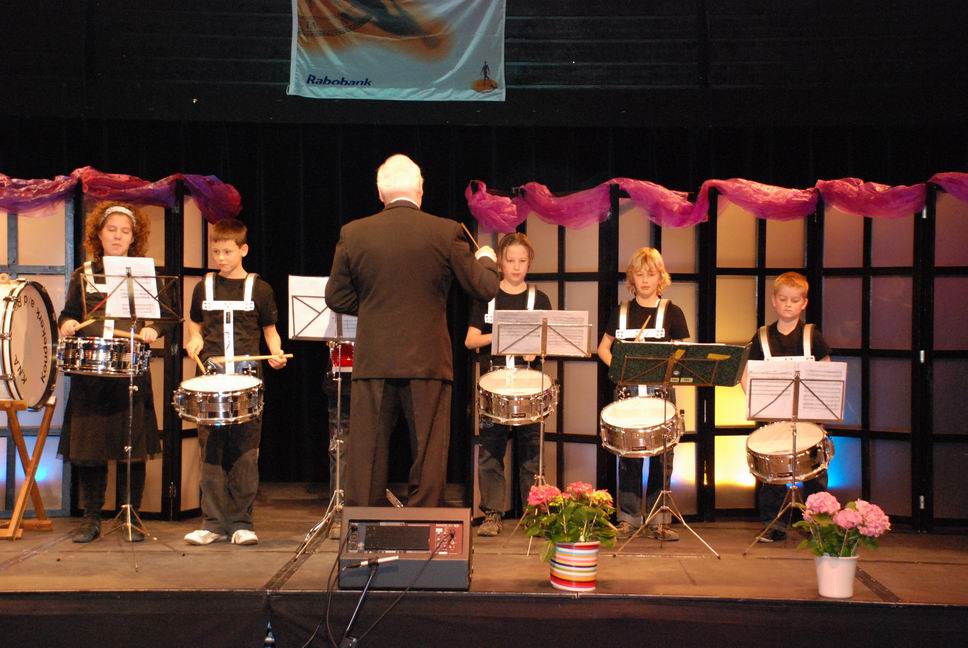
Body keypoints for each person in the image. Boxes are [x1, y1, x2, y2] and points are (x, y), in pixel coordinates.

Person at [325, 153, 499, 508]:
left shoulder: (354, 232)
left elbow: (336, 296)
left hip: (375, 358)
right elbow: (484, 287)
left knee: (367, 451)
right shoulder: (446, 231)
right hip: (427, 359)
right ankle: (424, 525)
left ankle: (363, 526)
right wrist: (487, 260)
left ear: (380, 193)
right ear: (420, 189)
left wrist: (375, 307)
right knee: (428, 449)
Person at [58, 201, 169, 543]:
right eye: (112, 230)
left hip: (130, 370)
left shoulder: (143, 274)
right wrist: (67, 324)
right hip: (91, 374)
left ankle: (131, 517)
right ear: (99, 234)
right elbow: (68, 313)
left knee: (132, 446)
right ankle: (91, 518)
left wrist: (153, 329)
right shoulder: (84, 274)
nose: (118, 236)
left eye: (125, 231)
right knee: (90, 447)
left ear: (134, 237)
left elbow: (165, 317)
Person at [183, 218, 287, 546]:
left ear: (243, 250)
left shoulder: (261, 289)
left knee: (245, 452)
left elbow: (270, 332)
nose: (221, 258)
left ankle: (242, 522)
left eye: (227, 252)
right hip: (211, 378)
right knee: (211, 451)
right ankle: (213, 523)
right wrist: (194, 339)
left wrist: (276, 353)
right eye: (216, 252)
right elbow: (195, 324)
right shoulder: (203, 287)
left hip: (247, 379)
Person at [598, 247, 689, 541]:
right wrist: (621, 369)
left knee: (662, 457)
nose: (646, 280)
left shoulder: (673, 312)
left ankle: (659, 519)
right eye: (640, 274)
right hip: (628, 393)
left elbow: (684, 354)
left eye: (651, 274)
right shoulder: (622, 312)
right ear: (631, 278)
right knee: (629, 455)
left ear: (661, 277)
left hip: (661, 396)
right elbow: (603, 348)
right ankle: (628, 518)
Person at [465, 232, 552, 536]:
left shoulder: (539, 299)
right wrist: (502, 335)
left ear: (529, 263)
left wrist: (535, 349)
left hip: (530, 385)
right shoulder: (486, 297)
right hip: (494, 385)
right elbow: (470, 340)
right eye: (510, 260)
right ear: (500, 263)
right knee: (490, 451)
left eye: (522, 261)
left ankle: (535, 514)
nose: (516, 266)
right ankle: (492, 513)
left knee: (532, 452)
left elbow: (547, 341)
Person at [742, 272, 832, 542]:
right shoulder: (762, 337)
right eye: (783, 299)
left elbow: (826, 370)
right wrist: (756, 401)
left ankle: (819, 523)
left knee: (815, 473)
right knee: (773, 474)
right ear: (774, 301)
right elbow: (746, 372)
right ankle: (774, 524)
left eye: (794, 300)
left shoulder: (812, 335)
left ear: (804, 303)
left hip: (807, 417)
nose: (788, 305)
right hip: (772, 416)